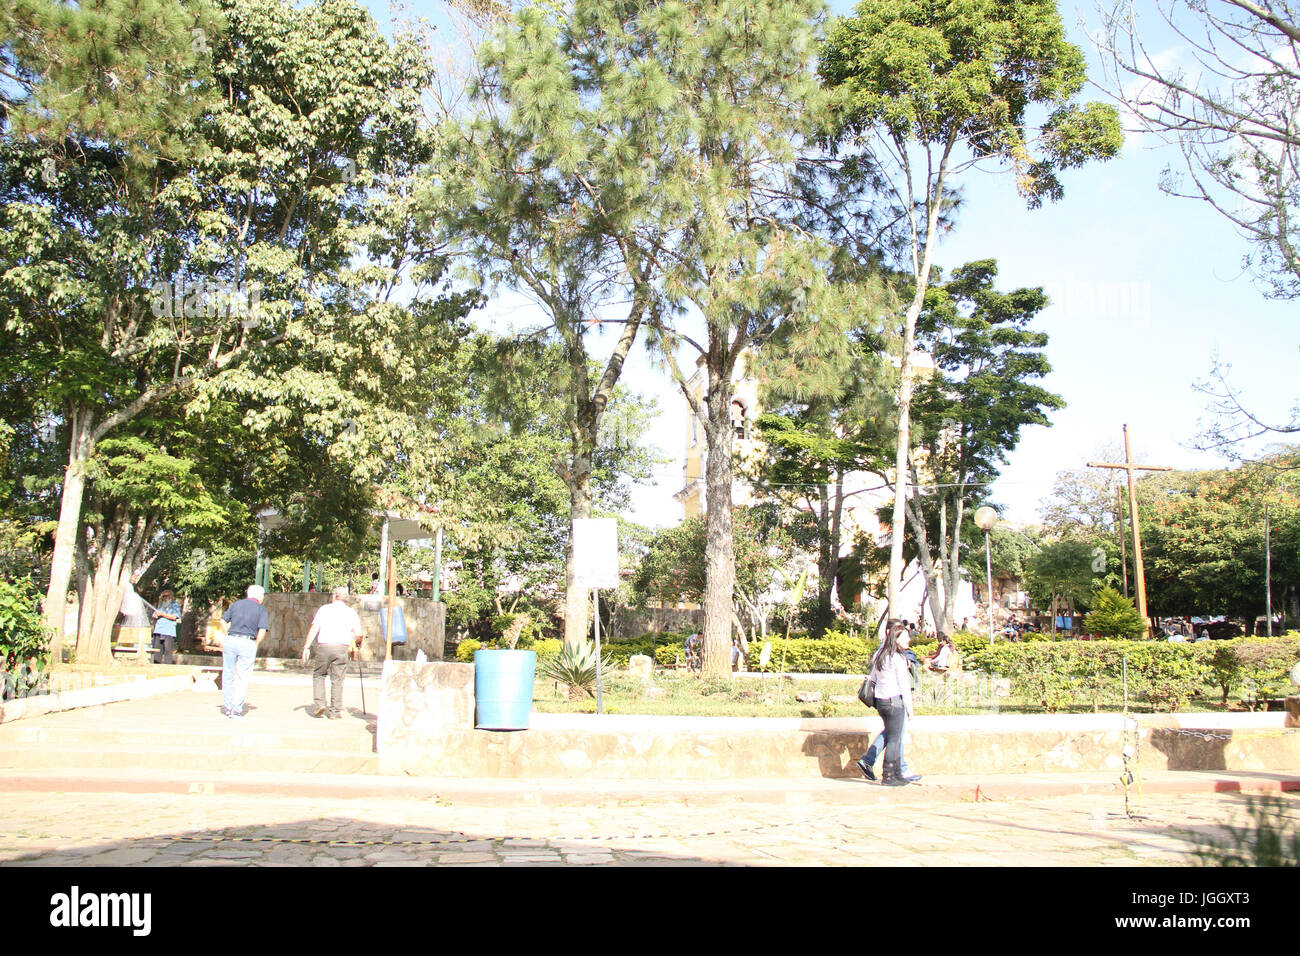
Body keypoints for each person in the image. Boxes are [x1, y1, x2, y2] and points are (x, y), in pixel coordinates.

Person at [856, 620, 920, 786]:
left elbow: (874, 678)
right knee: (894, 739)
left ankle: (897, 774)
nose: (909, 640)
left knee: (892, 736)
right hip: (894, 701)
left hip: (881, 701)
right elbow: (904, 685)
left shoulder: (880, 655)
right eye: (905, 637)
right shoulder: (897, 657)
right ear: (896, 638)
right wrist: (910, 708)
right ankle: (890, 776)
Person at [300, 586, 364, 719]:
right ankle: (335, 711)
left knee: (319, 674)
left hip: (324, 646)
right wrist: (358, 643)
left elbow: (314, 628)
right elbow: (359, 634)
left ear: (333, 596)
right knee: (338, 679)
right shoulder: (351, 612)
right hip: (341, 647)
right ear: (346, 598)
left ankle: (320, 704)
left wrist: (306, 646)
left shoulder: (324, 609)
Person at [219, 584, 270, 719]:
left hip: (231, 639)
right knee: (243, 676)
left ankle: (228, 706)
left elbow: (223, 620)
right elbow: (262, 630)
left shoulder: (235, 605)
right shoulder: (261, 609)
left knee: (228, 673)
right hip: (247, 641)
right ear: (260, 596)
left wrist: (227, 635)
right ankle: (236, 709)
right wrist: (256, 644)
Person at [150, 589, 182, 665]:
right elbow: (155, 614)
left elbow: (174, 617)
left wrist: (162, 614)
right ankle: (156, 664)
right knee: (157, 650)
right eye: (163, 596)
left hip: (168, 632)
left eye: (166, 596)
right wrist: (155, 615)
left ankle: (168, 666)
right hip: (158, 630)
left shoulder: (175, 605)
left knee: (168, 651)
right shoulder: (160, 605)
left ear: (170, 596)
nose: (164, 598)